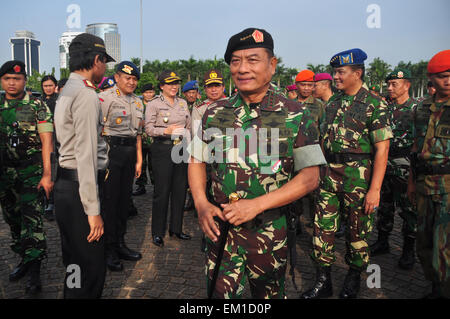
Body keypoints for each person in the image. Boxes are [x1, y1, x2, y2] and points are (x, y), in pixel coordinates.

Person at [188, 28, 326, 299]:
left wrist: (257, 204)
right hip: (221, 231)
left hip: (270, 232)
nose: (242, 68)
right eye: (235, 61)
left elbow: (310, 177)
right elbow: (195, 160)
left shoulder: (297, 115)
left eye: (253, 60)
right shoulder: (214, 113)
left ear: (272, 65)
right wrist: (201, 204)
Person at [301, 48, 393, 299]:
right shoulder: (333, 103)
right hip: (328, 175)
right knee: (322, 229)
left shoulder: (375, 104)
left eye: (341, 72)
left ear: (357, 73)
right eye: (334, 72)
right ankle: (323, 281)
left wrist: (374, 190)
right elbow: (322, 141)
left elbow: (382, 150)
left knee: (358, 232)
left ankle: (353, 279)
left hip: (358, 178)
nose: (336, 77)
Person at [53, 33, 113, 299]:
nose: (105, 69)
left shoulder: (67, 90)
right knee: (91, 266)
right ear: (96, 59)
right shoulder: (86, 95)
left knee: (75, 262)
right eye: (105, 62)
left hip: (66, 185)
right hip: (81, 190)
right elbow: (86, 154)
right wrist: (93, 210)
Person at [0, 60, 53, 295]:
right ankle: (23, 258)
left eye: (17, 79)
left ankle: (34, 271)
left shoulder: (37, 105)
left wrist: (48, 174)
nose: (12, 83)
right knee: (13, 220)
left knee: (32, 222)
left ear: (24, 81)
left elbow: (46, 142)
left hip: (31, 172)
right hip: (4, 174)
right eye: (7, 78)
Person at [408, 50, 450, 298]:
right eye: (443, 76)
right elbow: (415, 148)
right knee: (423, 243)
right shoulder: (421, 109)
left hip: (448, 186)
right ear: (431, 79)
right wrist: (412, 183)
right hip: (424, 184)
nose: (448, 81)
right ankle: (435, 286)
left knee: (444, 248)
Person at [370, 68, 417, 270]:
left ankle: (408, 250)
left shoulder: (417, 108)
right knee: (385, 207)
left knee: (408, 210)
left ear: (407, 85)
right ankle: (382, 241)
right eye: (388, 84)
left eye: (394, 84)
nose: (389, 88)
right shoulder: (384, 107)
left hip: (406, 167)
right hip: (385, 166)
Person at [99, 61, 144, 271]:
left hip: (129, 154)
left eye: (135, 79)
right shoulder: (105, 98)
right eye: (128, 78)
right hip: (111, 153)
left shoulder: (138, 102)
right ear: (117, 77)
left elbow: (138, 135)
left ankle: (120, 243)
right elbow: (97, 130)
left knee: (125, 202)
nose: (132, 82)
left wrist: (139, 159)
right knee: (110, 203)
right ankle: (108, 250)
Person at [145, 70, 192, 247]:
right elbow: (148, 129)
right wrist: (165, 131)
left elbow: (188, 126)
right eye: (170, 83)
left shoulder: (182, 103)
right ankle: (158, 232)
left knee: (180, 190)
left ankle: (176, 229)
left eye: (176, 83)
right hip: (162, 149)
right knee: (162, 192)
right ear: (162, 86)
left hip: (181, 148)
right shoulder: (154, 104)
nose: (174, 87)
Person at [40, 75, 59, 222]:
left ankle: (53, 202)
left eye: (50, 85)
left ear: (55, 86)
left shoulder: (59, 101)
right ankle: (46, 202)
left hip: (57, 140)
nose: (48, 88)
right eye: (45, 86)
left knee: (55, 171)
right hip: (42, 142)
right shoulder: (39, 102)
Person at [133, 83, 156, 196]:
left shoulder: (157, 103)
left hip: (153, 140)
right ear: (143, 93)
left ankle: (156, 185)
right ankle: (141, 185)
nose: (149, 94)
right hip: (140, 140)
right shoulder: (138, 104)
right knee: (141, 163)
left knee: (154, 164)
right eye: (147, 92)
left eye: (151, 92)